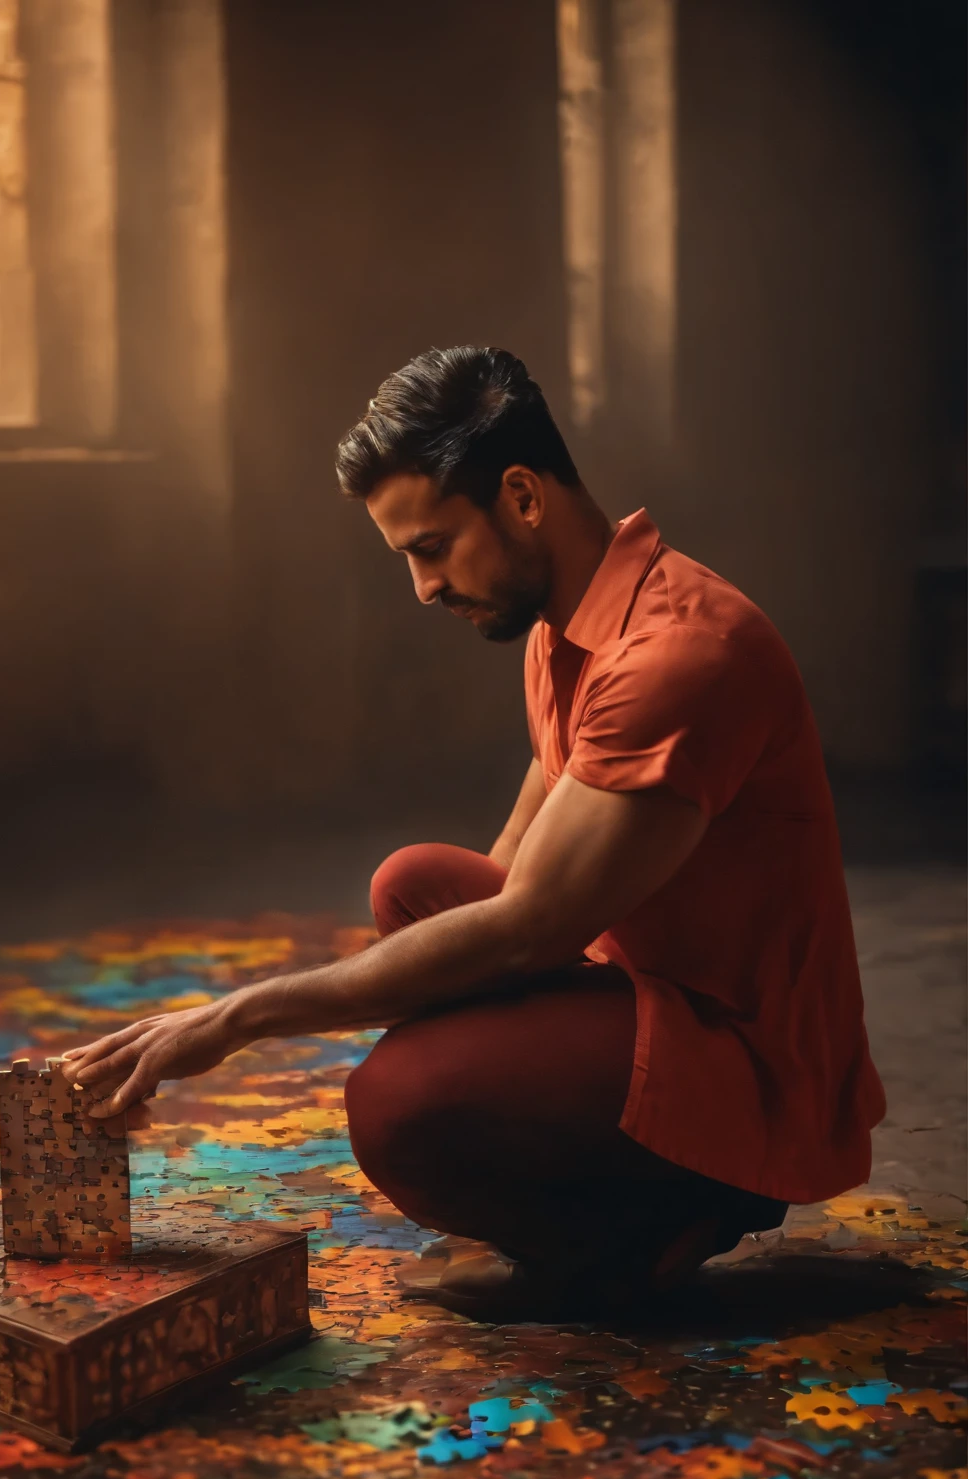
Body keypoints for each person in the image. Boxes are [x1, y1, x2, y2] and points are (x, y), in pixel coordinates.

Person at [61, 345, 885, 1318]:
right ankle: (619, 1197)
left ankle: (661, 1220)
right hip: (646, 990)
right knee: (414, 889)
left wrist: (234, 1019)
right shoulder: (560, 630)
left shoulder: (679, 654)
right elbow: (502, 881)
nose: (422, 588)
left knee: (396, 1104)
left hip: (750, 1065)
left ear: (523, 497)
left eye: (432, 548)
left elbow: (528, 927)